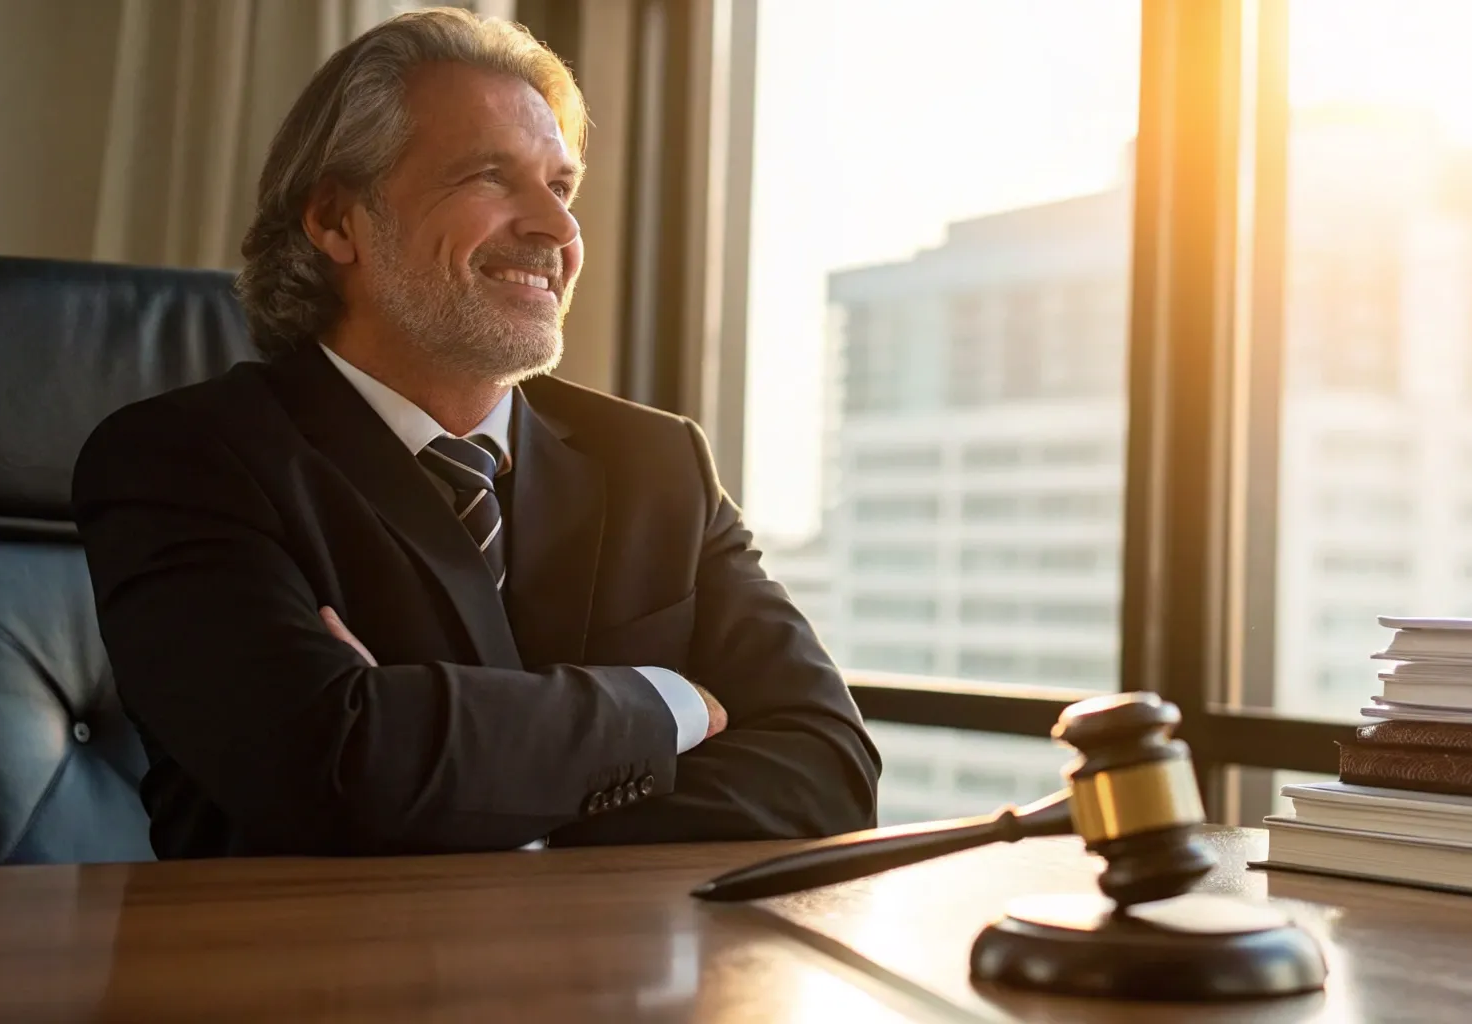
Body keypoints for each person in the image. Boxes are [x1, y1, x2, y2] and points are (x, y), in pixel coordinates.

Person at [72, 8, 879, 859]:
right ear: (336, 221)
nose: (558, 230)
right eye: (491, 177)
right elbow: (335, 769)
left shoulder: (657, 464)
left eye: (561, 187)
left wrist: (464, 774)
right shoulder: (181, 460)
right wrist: (664, 706)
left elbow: (830, 769)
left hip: (611, 978)